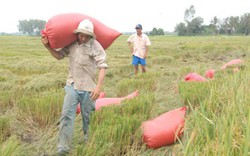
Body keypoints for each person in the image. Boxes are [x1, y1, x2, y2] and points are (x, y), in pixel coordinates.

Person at [41, 19, 107, 155]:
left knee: (88, 117)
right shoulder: (71, 44)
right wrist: (48, 47)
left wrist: (98, 87)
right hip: (72, 85)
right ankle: (63, 147)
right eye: (80, 35)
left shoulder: (95, 46)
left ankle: (89, 142)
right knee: (66, 116)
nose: (82, 38)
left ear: (90, 36)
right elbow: (59, 56)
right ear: (77, 34)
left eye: (86, 35)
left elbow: (102, 66)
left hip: (89, 89)